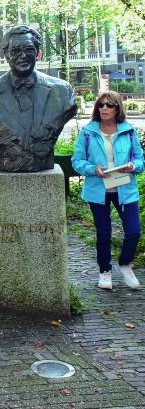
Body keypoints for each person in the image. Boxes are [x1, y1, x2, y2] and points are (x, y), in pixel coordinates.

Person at [0, 25, 77, 172]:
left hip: (43, 164)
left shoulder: (62, 91)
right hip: (7, 164)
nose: (23, 56)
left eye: (28, 50)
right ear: (6, 54)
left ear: (37, 53)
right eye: (15, 51)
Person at [71, 91, 143, 290]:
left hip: (125, 189)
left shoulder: (128, 131)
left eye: (109, 105)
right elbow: (77, 161)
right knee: (103, 233)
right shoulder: (87, 132)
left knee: (134, 231)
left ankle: (125, 264)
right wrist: (93, 169)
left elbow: (140, 160)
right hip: (98, 190)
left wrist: (133, 166)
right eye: (101, 105)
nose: (104, 108)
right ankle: (105, 271)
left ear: (117, 108)